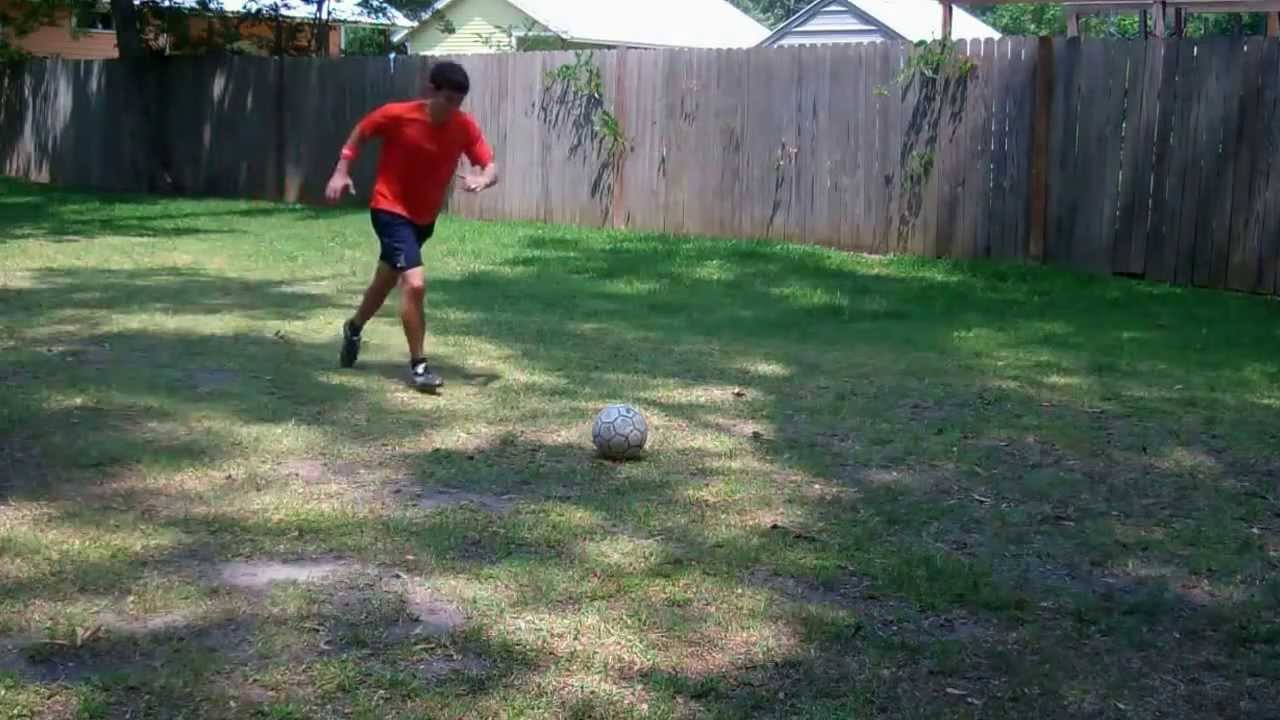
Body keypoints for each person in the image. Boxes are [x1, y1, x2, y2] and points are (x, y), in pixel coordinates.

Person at [325, 60, 498, 391]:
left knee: (385, 281)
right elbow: (362, 131)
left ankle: (354, 327)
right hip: (389, 209)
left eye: (458, 102)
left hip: (423, 219)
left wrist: (484, 179)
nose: (452, 109)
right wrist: (341, 171)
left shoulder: (463, 126)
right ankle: (419, 367)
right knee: (414, 284)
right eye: (447, 100)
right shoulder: (398, 114)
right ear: (431, 90)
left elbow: (490, 165)